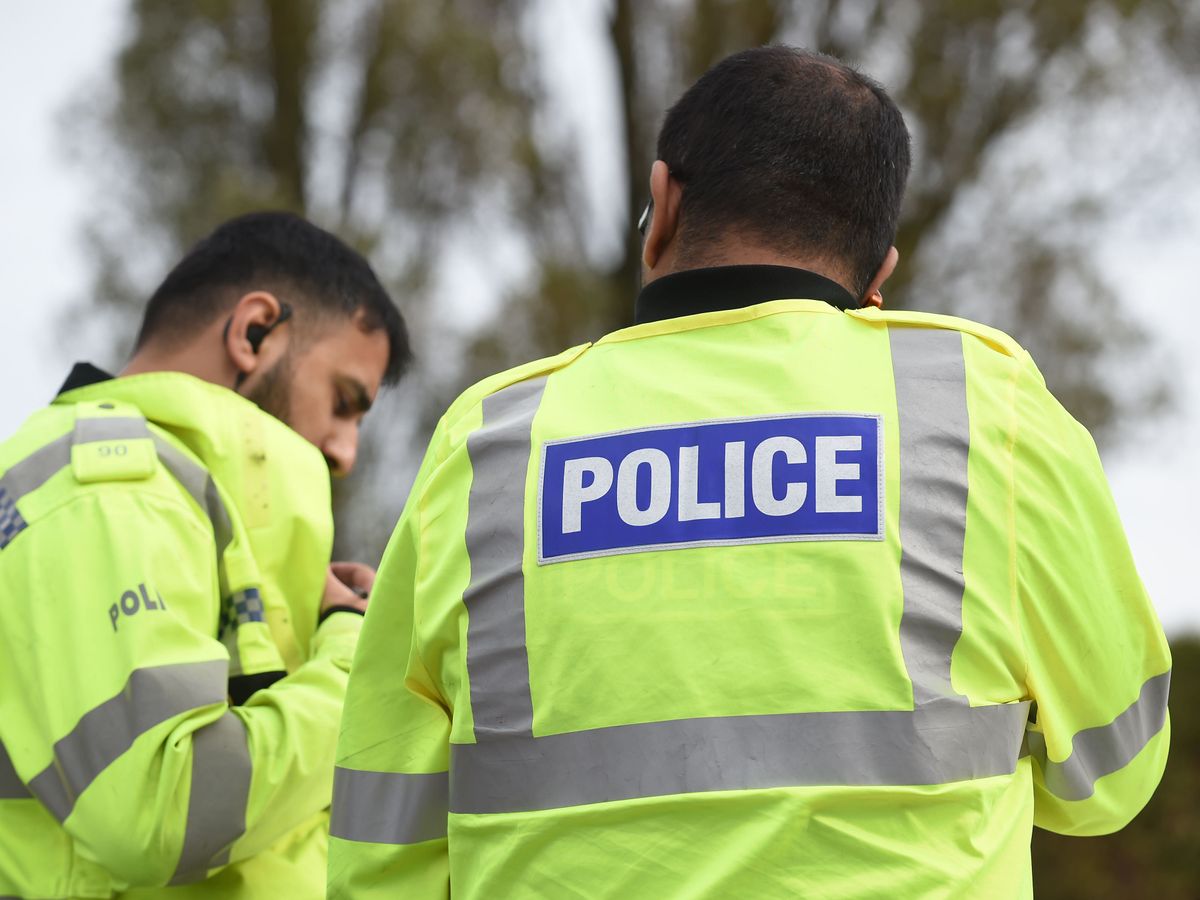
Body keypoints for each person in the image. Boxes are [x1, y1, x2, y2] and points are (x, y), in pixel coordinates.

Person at [327, 47, 1170, 898]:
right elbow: (1111, 771)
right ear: (878, 279)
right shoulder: (982, 405)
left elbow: (380, 843)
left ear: (660, 204)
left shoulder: (490, 440)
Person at [0, 211, 411, 898]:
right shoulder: (106, 489)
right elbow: (160, 809)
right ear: (254, 333)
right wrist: (350, 664)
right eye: (343, 402)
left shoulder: (177, 506)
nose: (345, 453)